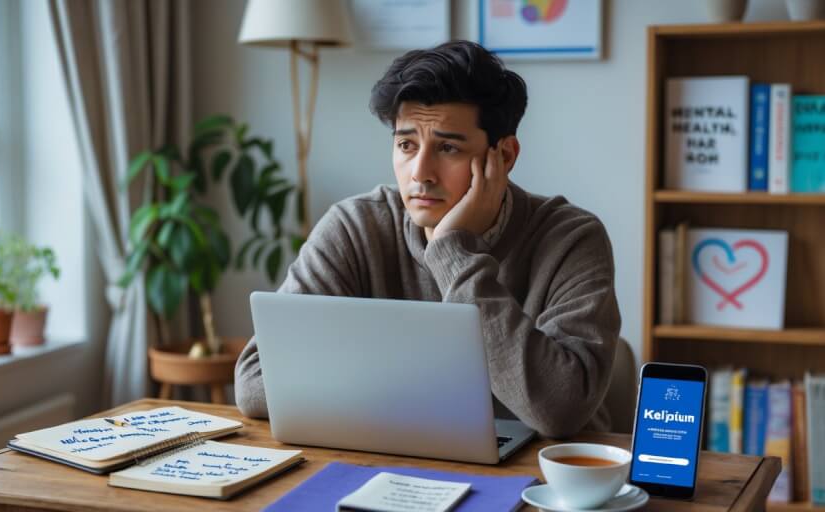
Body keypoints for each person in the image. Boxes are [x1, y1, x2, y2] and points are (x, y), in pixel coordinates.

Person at [234, 40, 621, 438]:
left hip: (540, 478)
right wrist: (420, 383)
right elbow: (255, 383)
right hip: (395, 459)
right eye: (406, 145)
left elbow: (559, 411)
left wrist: (452, 250)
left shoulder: (571, 238)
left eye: (447, 147)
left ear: (503, 156)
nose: (420, 173)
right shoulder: (355, 227)